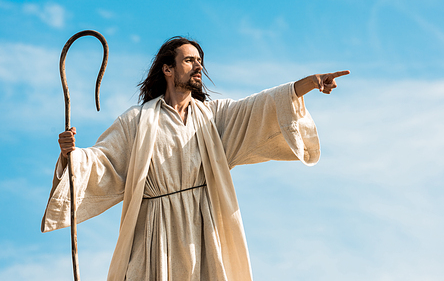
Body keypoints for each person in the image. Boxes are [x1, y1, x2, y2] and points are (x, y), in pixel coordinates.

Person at [42, 36, 350, 281]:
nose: (198, 66)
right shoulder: (136, 121)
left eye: (199, 61)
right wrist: (73, 155)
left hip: (203, 227)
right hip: (155, 230)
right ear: (168, 69)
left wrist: (308, 83)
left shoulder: (214, 118)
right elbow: (103, 162)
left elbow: (261, 107)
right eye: (189, 60)